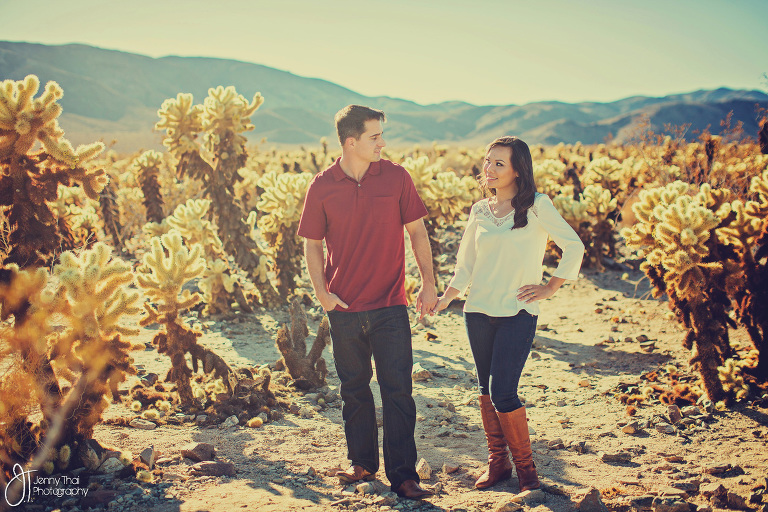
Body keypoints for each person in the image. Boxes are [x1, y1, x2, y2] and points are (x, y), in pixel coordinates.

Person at [298, 105, 438, 499]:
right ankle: (361, 462)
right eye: (375, 137)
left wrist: (428, 283)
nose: (383, 143)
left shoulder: (396, 177)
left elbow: (418, 232)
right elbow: (312, 244)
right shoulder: (322, 185)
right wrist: (323, 294)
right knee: (354, 389)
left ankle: (404, 474)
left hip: (391, 304)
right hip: (343, 308)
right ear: (351, 141)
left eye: (382, 136)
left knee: (397, 391)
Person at [432, 136, 584, 492]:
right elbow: (465, 265)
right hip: (478, 311)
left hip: (518, 311)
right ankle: (497, 463)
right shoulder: (480, 210)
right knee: (485, 390)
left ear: (518, 169)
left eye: (499, 163)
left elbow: (573, 245)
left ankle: (528, 473)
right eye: (487, 161)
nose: (490, 169)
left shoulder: (537, 205)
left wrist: (550, 287)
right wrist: (446, 297)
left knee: (503, 392)